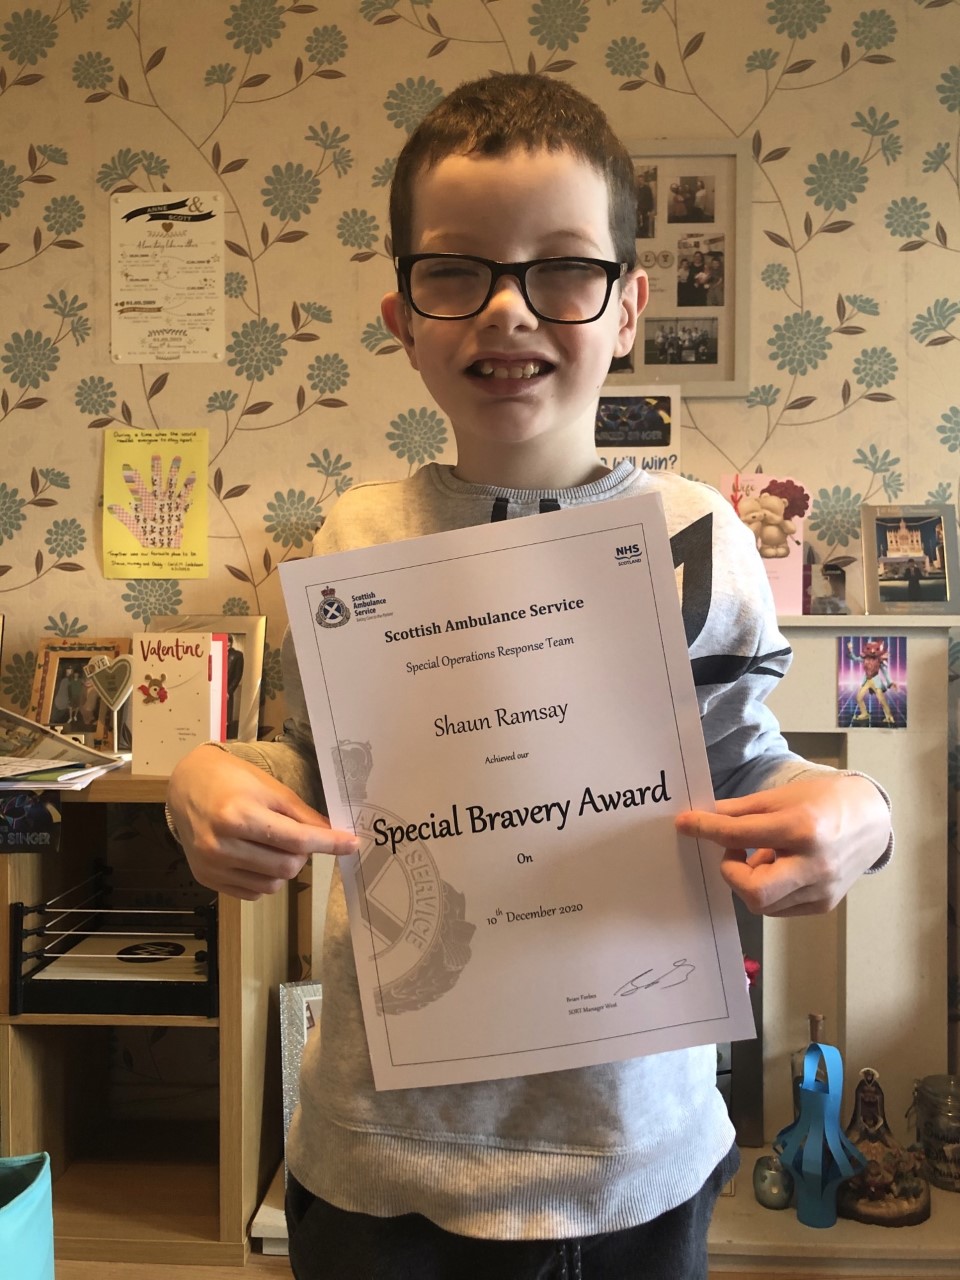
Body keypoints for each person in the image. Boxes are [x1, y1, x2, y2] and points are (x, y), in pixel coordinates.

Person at [166, 73, 892, 1280]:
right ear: (404, 315)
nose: (507, 310)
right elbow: (317, 762)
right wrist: (209, 776)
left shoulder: (700, 536)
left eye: (561, 269)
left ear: (628, 306)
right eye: (457, 271)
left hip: (633, 1162)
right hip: (378, 1159)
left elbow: (745, 764)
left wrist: (861, 807)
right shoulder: (353, 538)